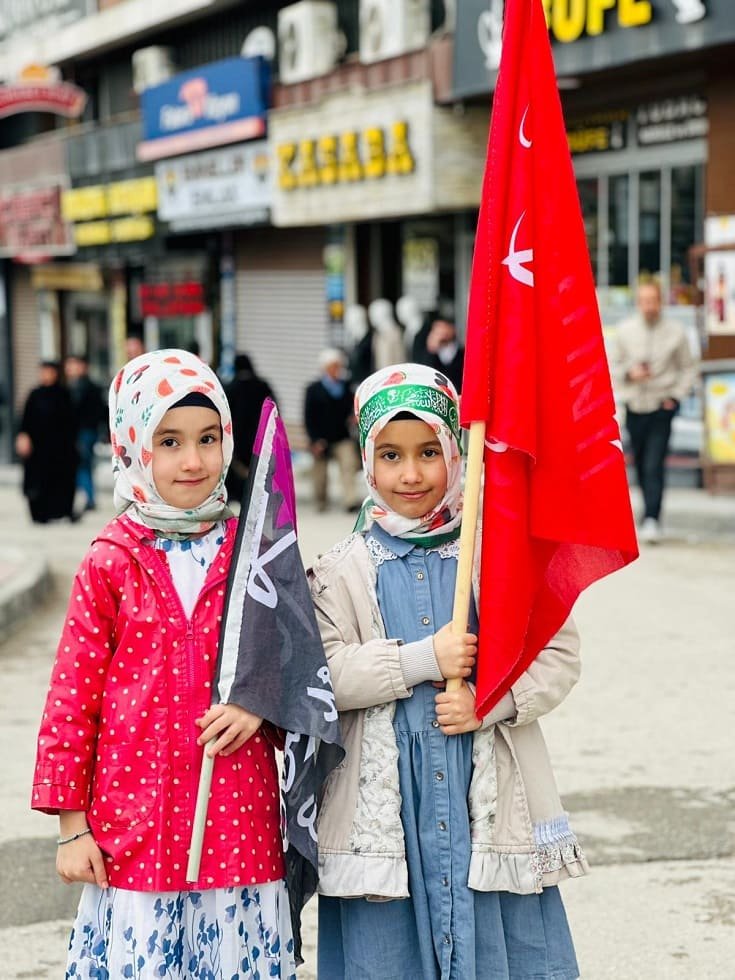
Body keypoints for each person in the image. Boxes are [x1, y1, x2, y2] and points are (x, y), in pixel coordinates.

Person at [310, 363, 584, 980]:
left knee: (499, 947)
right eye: (391, 455)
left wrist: (489, 703)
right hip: (386, 812)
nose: (411, 474)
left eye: (430, 451)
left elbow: (558, 656)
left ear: (457, 451)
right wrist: (421, 660)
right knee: (389, 954)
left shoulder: (495, 558)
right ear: (367, 460)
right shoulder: (340, 569)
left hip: (484, 800)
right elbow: (324, 675)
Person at [31, 349, 296, 979]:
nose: (194, 460)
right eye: (169, 441)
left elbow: (299, 667)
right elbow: (73, 700)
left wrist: (259, 704)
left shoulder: (255, 552)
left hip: (237, 822)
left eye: (209, 439)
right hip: (135, 825)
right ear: (132, 445)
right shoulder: (110, 560)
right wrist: (73, 827)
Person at [611, 280, 698, 543]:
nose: (649, 306)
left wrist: (675, 395)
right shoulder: (625, 331)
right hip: (635, 405)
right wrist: (630, 373)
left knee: (654, 462)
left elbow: (689, 368)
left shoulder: (676, 332)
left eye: (653, 300)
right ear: (638, 302)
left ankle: (652, 517)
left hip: (663, 404)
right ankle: (646, 512)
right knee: (639, 460)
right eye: (644, 301)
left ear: (661, 301)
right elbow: (612, 364)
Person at [15, 360, 78, 524]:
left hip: (60, 448)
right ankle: (39, 513)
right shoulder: (35, 394)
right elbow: (25, 419)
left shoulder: (63, 394)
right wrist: (23, 436)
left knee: (60, 480)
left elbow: (71, 422)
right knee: (37, 481)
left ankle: (60, 512)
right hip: (37, 449)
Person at [303, 348, 361, 513]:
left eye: (339, 366)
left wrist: (354, 416)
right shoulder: (313, 389)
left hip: (342, 437)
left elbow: (353, 408)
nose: (338, 370)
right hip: (321, 439)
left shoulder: (347, 387)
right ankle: (321, 501)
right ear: (326, 368)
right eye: (334, 366)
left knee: (348, 465)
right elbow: (308, 417)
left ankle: (350, 500)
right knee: (320, 473)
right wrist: (314, 440)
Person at [224, 352, 276, 502]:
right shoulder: (263, 386)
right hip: (261, 439)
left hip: (237, 442)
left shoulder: (231, 388)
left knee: (239, 476)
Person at [64, 354, 107, 512]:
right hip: (86, 431)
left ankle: (89, 498)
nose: (69, 369)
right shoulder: (75, 386)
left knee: (82, 464)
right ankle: (88, 497)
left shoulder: (82, 387)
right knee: (84, 464)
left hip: (84, 432)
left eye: (73, 365)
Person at [416, 311, 465, 392]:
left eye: (443, 328)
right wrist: (431, 349)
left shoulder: (462, 354)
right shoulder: (430, 355)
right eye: (436, 331)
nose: (440, 334)